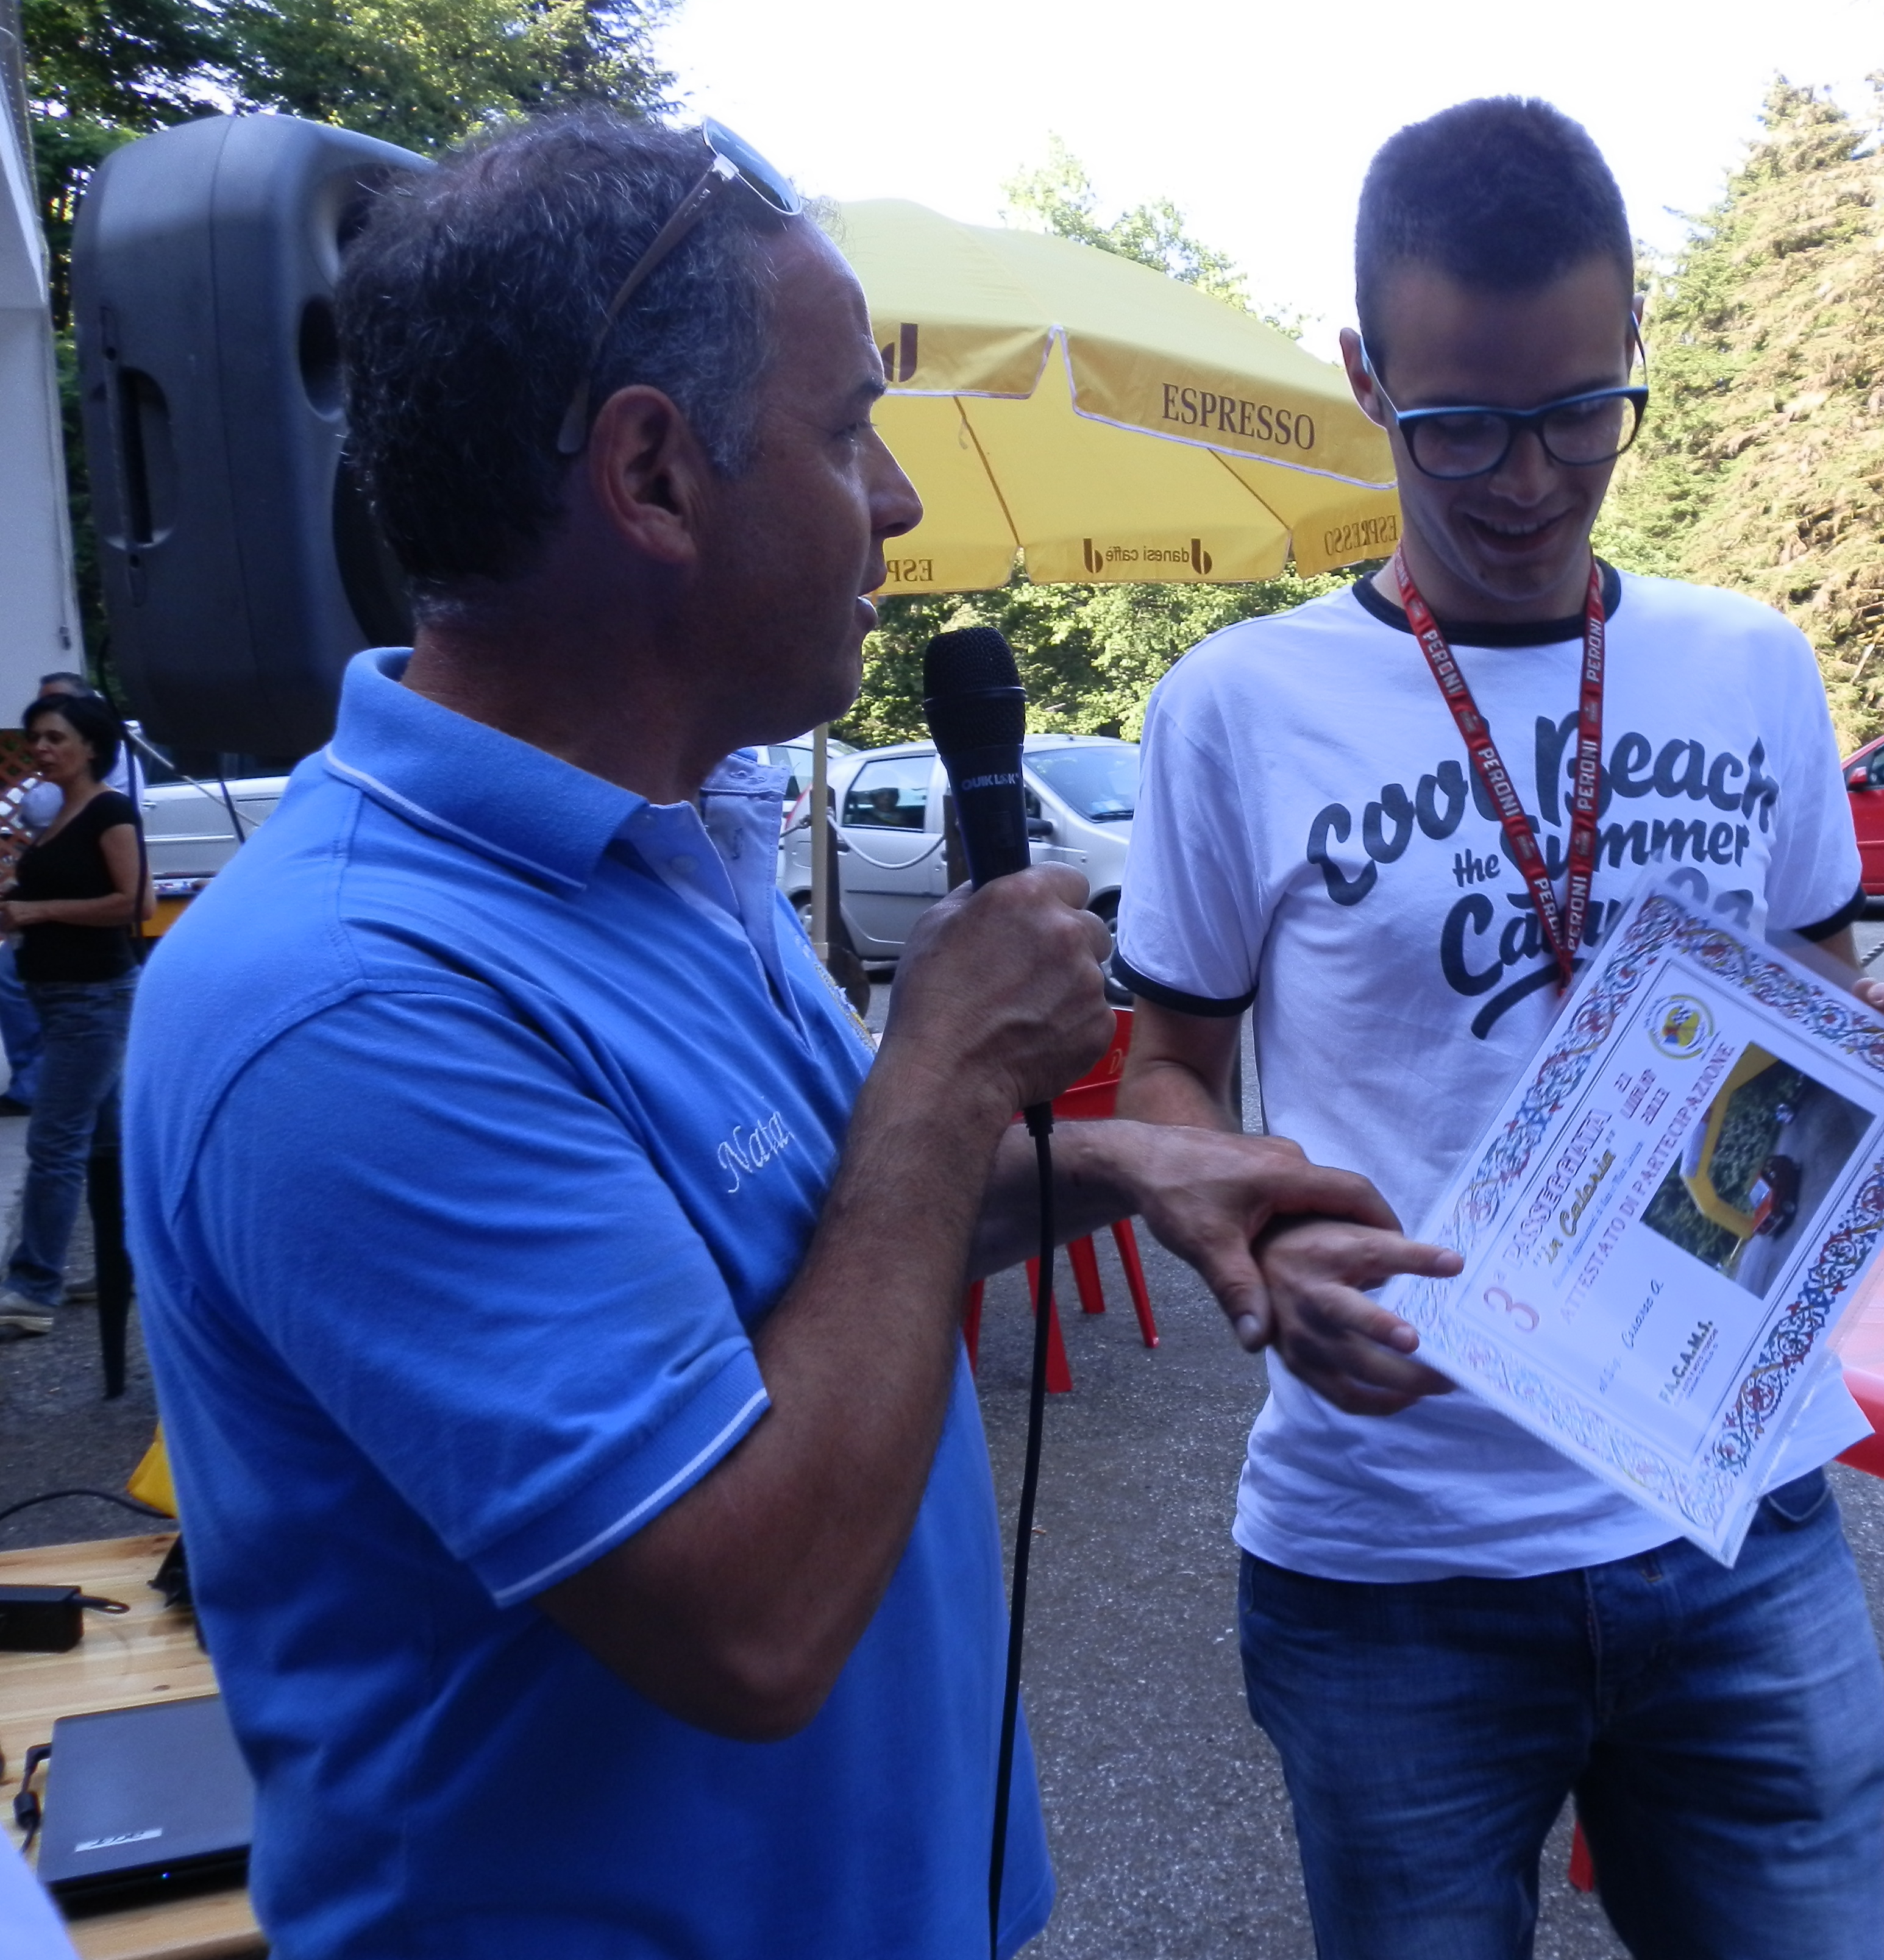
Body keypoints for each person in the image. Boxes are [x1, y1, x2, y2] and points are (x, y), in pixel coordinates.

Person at [127, 114, 1398, 1958]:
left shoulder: (670, 847)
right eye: (846, 429)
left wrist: (1125, 1162)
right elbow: (751, 1616)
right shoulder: (346, 995)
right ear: (652, 474)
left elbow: (815, 1249)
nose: (897, 501)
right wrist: (947, 1066)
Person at [1114, 97, 1884, 1959]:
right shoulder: (1236, 707)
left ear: (1635, 346)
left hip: (1740, 1515)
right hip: (1394, 1557)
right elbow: (1166, 1065)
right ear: (1365, 377)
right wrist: (1249, 1239)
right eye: (1458, 425)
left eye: (1582, 411)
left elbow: (1816, 996)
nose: (1525, 479)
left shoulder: (1751, 663)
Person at [0, 692, 143, 1335]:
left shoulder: (110, 810)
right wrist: (18, 897)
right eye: (36, 738)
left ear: (90, 746)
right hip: (59, 998)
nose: (40, 748)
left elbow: (133, 903)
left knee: (53, 1143)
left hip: (93, 999)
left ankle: (33, 1290)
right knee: (106, 1144)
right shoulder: (61, 811)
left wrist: (39, 910)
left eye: (55, 737)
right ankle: (125, 1265)